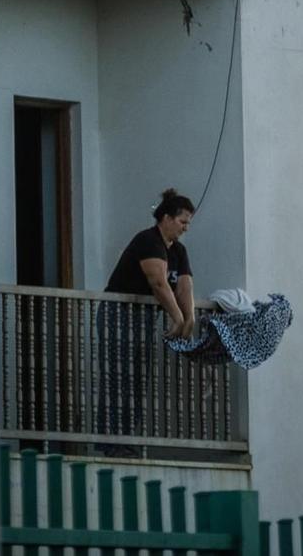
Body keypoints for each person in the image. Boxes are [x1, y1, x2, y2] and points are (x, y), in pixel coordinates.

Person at [95, 188, 196, 446]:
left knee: (138, 379)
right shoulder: (148, 240)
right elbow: (158, 283)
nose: (186, 228)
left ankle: (127, 440)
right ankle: (109, 443)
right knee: (119, 376)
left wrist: (189, 318)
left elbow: (184, 286)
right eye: (182, 222)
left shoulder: (178, 251)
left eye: (188, 223)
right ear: (166, 218)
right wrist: (176, 317)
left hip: (143, 318)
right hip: (119, 314)